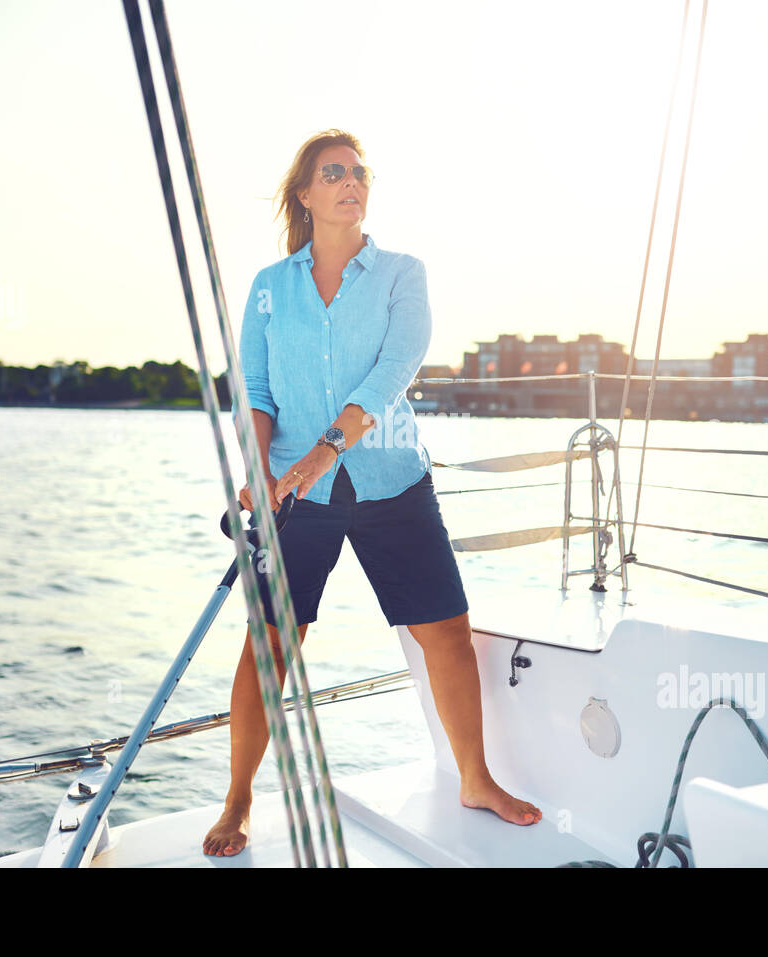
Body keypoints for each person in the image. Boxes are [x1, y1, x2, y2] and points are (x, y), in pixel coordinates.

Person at [203, 129, 541, 857]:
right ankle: (236, 800)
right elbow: (255, 390)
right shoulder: (271, 287)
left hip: (390, 481)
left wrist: (323, 451)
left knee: (446, 630)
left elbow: (393, 372)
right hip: (295, 496)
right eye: (334, 172)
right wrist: (262, 470)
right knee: (269, 643)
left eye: (359, 171)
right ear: (305, 195)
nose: (351, 181)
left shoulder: (401, 273)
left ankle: (474, 778)